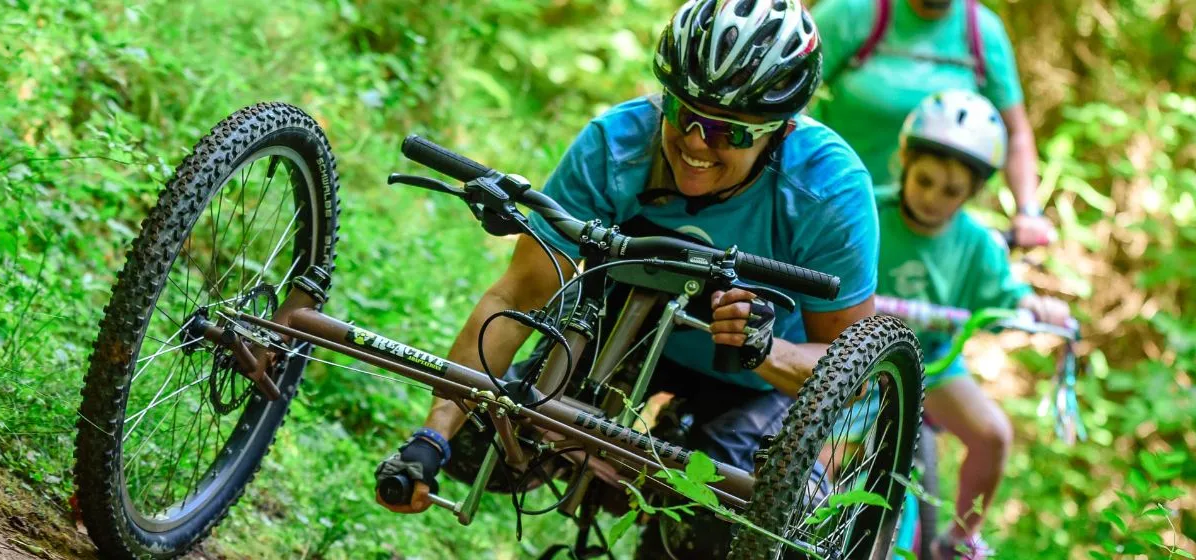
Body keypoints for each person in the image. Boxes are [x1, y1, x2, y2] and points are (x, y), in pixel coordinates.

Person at [372, 0, 881, 556]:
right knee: (482, 440)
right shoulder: (615, 145)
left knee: (714, 520)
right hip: (629, 335)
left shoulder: (828, 191)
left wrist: (766, 349)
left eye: (728, 133)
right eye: (684, 113)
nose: (695, 142)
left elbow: (850, 370)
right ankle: (603, 468)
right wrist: (433, 436)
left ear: (777, 131)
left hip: (753, 380)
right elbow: (518, 293)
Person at [868, 90, 1071, 559]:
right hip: (852, 356)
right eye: (925, 181)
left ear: (974, 192)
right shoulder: (867, 211)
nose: (934, 198)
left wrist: (1037, 308)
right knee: (825, 452)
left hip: (932, 363)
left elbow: (1006, 299)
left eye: (952, 190)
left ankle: (957, 540)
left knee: (993, 435)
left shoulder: (977, 244)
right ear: (904, 162)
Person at [811, 0, 1056, 248]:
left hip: (929, 230)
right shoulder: (849, 13)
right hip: (830, 210)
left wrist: (1028, 211)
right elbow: (788, 96)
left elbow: (1014, 133)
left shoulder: (983, 31)